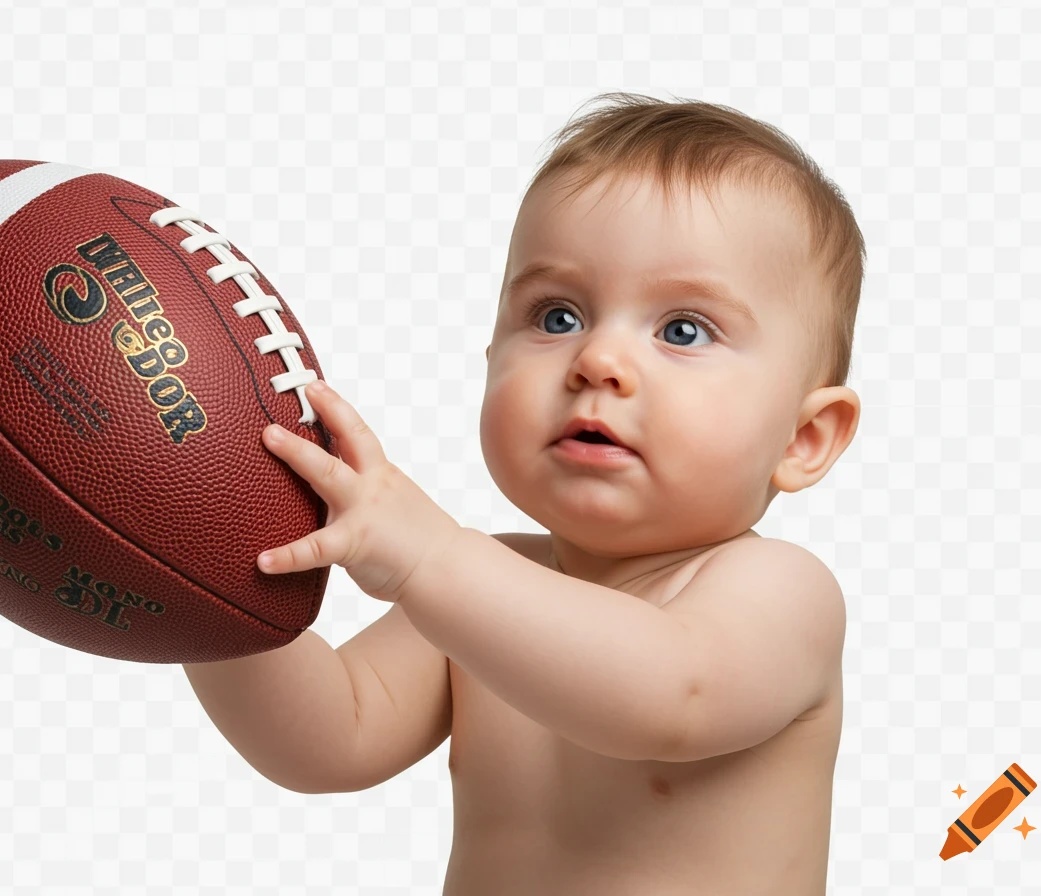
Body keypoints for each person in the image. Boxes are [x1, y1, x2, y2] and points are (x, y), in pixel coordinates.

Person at [183, 92, 864, 895]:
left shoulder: (782, 593)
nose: (599, 358)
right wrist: (191, 562)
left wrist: (431, 556)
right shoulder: (480, 585)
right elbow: (328, 737)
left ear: (802, 438)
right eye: (557, 314)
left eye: (683, 329)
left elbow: (671, 696)